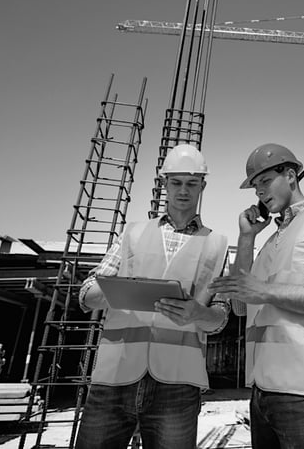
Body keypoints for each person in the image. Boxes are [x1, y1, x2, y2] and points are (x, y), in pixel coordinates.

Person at [209, 143, 304, 449]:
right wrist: (246, 237)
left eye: (265, 182)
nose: (260, 194)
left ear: (291, 175)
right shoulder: (270, 243)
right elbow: (242, 305)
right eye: (255, 188)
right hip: (262, 393)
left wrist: (264, 290)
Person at [74, 144, 229, 449]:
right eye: (176, 182)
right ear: (164, 184)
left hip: (177, 382)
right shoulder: (131, 233)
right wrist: (117, 292)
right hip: (116, 376)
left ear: (203, 186)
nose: (183, 190)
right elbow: (87, 294)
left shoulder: (217, 244)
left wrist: (199, 313)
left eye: (192, 183)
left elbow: (221, 316)